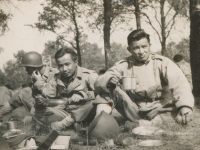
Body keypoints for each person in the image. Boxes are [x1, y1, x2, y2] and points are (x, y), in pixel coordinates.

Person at [94, 29, 194, 130]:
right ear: (129, 49)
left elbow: (180, 83)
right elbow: (99, 82)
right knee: (108, 89)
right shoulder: (123, 64)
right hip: (135, 109)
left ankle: (141, 125)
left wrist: (185, 106)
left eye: (144, 46)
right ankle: (99, 124)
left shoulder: (162, 62)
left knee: (180, 116)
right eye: (136, 48)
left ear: (149, 45)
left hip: (160, 108)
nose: (141, 52)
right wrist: (109, 79)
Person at [33, 48, 98, 131]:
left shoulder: (89, 75)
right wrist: (42, 98)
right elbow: (49, 94)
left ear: (76, 62)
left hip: (85, 111)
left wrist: (84, 95)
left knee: (94, 102)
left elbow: (101, 93)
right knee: (37, 112)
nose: (64, 69)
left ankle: (64, 124)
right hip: (67, 112)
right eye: (60, 65)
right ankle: (75, 123)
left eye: (67, 64)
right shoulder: (57, 77)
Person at [0, 51, 58, 120]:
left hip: (54, 108)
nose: (26, 70)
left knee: (25, 94)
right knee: (22, 94)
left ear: (33, 67)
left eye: (27, 67)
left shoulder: (54, 74)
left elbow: (52, 95)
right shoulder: (36, 75)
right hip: (40, 105)